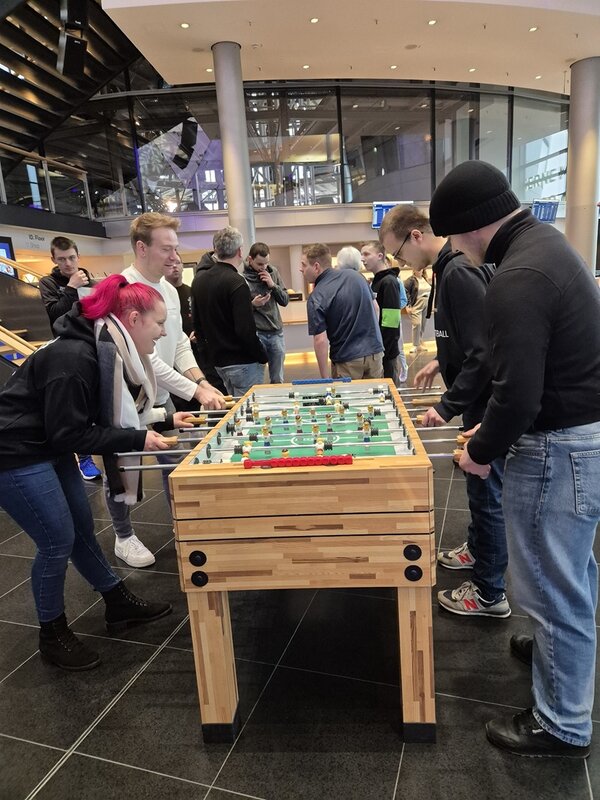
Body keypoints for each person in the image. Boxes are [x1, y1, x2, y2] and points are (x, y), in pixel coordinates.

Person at [429, 159, 600, 759]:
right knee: (571, 577)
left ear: (469, 227)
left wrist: (479, 450)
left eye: (452, 235)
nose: (455, 248)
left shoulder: (518, 274)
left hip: (559, 446)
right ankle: (558, 654)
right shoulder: (545, 244)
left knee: (555, 589)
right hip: (578, 438)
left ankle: (562, 723)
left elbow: (518, 392)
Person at [0, 276, 176, 671]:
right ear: (132, 319)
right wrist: (138, 438)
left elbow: (99, 416)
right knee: (56, 541)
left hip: (45, 444)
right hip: (13, 452)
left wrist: (164, 418)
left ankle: (117, 602)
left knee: (80, 527)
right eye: (159, 323)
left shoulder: (99, 348)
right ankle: (52, 634)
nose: (163, 332)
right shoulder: (75, 358)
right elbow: (70, 433)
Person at [380, 206, 509, 617]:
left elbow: (485, 354)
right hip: (477, 401)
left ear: (416, 235)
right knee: (477, 487)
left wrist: (445, 405)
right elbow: (467, 337)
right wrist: (442, 360)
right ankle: (477, 550)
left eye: (398, 253)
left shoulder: (457, 273)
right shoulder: (445, 271)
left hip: (484, 404)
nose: (401, 263)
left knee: (488, 494)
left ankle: (490, 592)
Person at [110, 213, 225, 569]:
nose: (175, 257)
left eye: (176, 249)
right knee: (125, 471)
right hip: (127, 399)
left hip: (161, 397)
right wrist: (195, 390)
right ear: (141, 248)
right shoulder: (124, 290)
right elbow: (144, 359)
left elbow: (175, 346)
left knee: (173, 461)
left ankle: (184, 525)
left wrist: (202, 382)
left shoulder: (171, 290)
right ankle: (123, 535)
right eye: (167, 249)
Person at [38, 236, 102, 482]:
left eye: (72, 258)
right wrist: (71, 288)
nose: (68, 263)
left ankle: (100, 445)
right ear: (54, 259)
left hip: (91, 347)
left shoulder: (88, 278)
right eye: (62, 259)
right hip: (65, 353)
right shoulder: (49, 283)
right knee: (74, 406)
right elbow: (54, 315)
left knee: (93, 400)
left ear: (78, 256)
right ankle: (84, 458)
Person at [191, 226, 267, 397]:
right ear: (240, 251)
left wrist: (207, 357)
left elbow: (198, 326)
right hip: (243, 362)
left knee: (233, 412)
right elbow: (245, 329)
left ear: (216, 250)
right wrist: (262, 354)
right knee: (249, 414)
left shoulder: (199, 281)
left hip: (218, 363)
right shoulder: (237, 283)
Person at [300, 243, 383, 379]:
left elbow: (320, 340)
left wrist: (325, 378)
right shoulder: (356, 276)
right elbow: (376, 308)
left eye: (303, 265)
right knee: (375, 398)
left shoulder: (317, 296)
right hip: (375, 355)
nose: (300, 269)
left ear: (316, 267)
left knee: (347, 400)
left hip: (347, 360)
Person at [360, 241, 407, 385]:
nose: (362, 258)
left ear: (380, 256)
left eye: (367, 254)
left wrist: (383, 350)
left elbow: (391, 321)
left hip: (385, 352)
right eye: (361, 254)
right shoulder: (376, 282)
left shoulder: (389, 282)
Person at [243, 242, 289, 383]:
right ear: (250, 260)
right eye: (259, 264)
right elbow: (239, 311)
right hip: (257, 334)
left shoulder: (273, 272)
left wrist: (272, 285)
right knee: (256, 379)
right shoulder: (242, 278)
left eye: (266, 263)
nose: (263, 268)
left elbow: (285, 300)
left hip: (276, 332)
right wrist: (253, 305)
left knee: (278, 379)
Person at [403, 264, 431, 353]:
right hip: (417, 303)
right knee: (417, 324)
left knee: (422, 325)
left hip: (426, 302)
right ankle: (415, 345)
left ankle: (419, 344)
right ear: (413, 270)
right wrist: (408, 305)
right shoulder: (411, 280)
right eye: (417, 268)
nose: (419, 270)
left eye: (421, 268)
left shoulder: (425, 279)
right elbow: (405, 292)